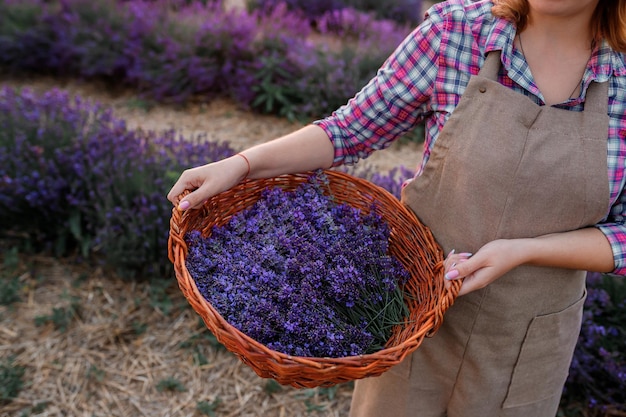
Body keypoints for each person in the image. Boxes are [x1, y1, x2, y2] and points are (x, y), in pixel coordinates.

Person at [168, 0, 626, 415]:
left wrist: (523, 251)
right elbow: (348, 130)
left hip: (529, 340)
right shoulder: (455, 33)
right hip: (406, 317)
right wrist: (243, 165)